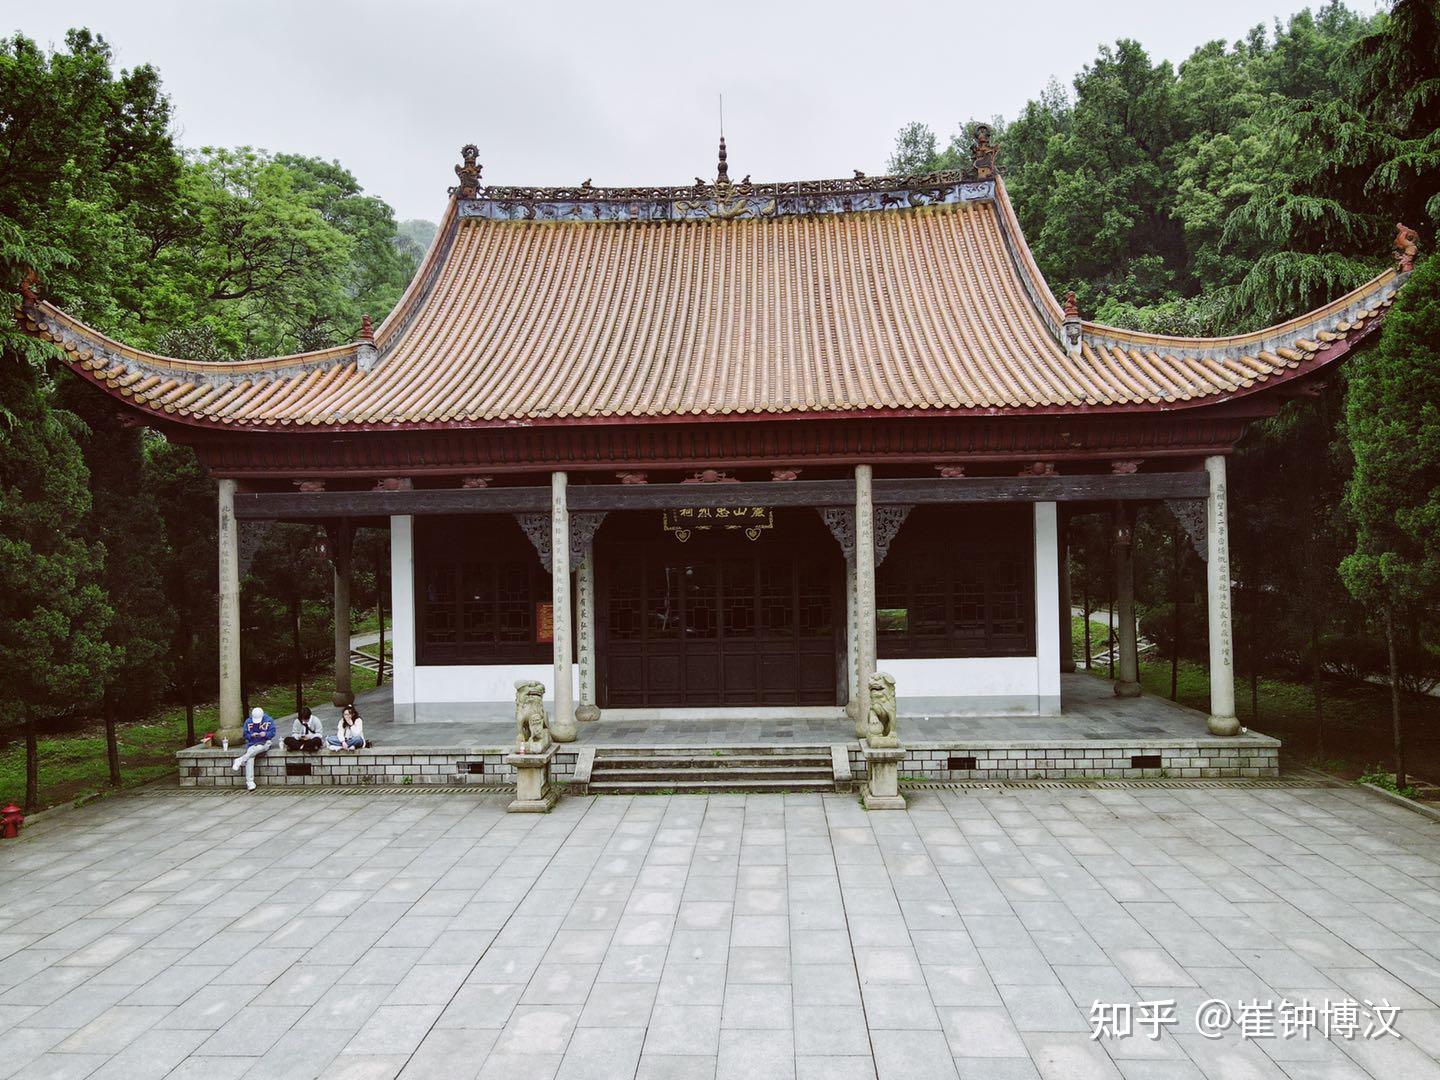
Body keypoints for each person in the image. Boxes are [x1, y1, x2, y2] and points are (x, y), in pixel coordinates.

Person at [232, 707, 276, 790]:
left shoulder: (268, 720)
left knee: (257, 748)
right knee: (250, 758)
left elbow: (272, 733)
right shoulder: (248, 721)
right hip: (252, 744)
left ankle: (240, 760)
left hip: (265, 743)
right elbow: (245, 734)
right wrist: (251, 735)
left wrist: (265, 734)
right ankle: (250, 782)